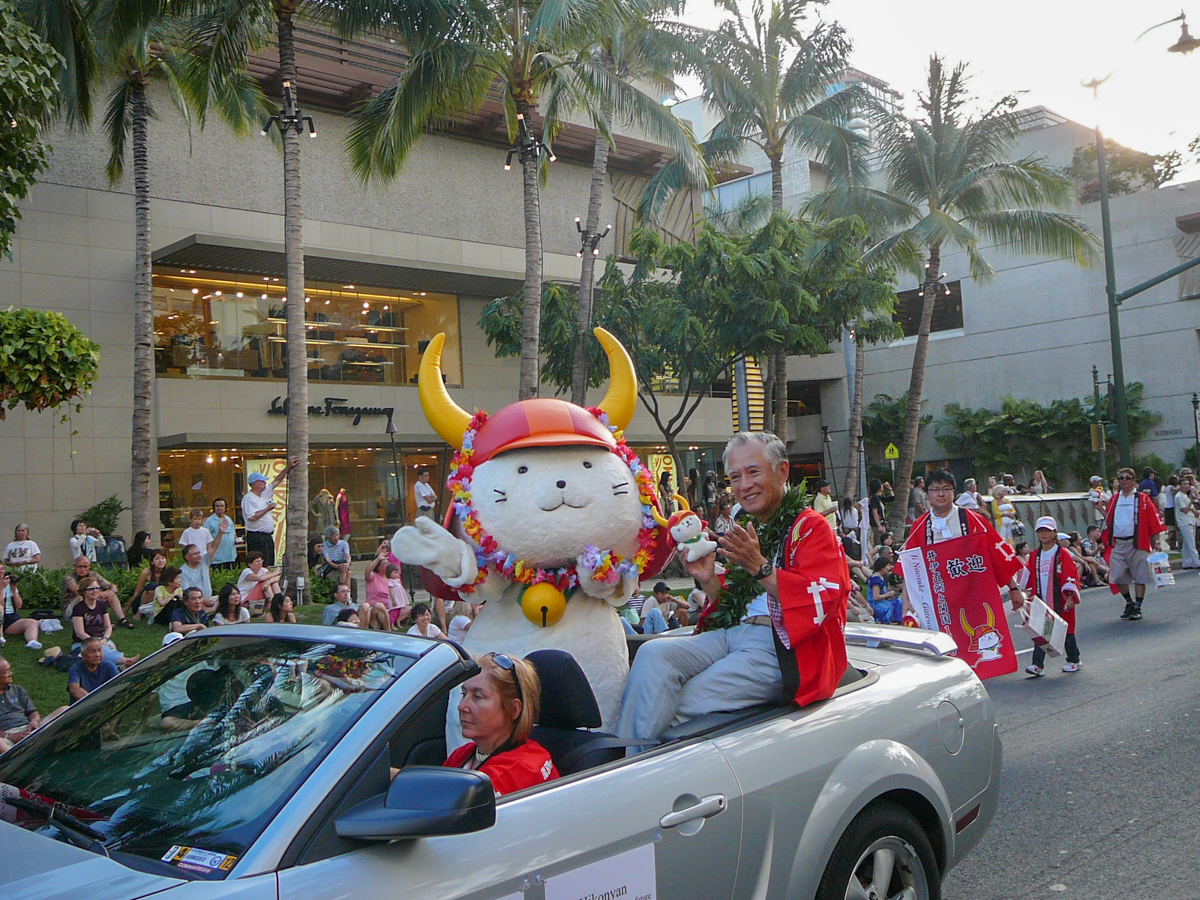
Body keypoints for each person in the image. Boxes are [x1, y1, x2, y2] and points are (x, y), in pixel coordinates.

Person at [617, 432, 849, 749]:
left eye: (753, 472)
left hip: (780, 649)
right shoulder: (748, 526)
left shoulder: (810, 527)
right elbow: (730, 606)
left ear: (782, 472)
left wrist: (760, 567)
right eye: (735, 477)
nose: (744, 485)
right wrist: (708, 579)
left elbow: (823, 599)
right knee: (651, 655)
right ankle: (618, 758)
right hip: (734, 634)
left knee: (672, 701)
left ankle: (626, 775)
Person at [903, 469, 1026, 613]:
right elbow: (909, 567)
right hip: (938, 601)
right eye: (935, 490)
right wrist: (906, 602)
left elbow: (996, 553)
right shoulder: (919, 526)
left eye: (946, 489)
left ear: (954, 492)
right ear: (927, 493)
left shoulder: (972, 519)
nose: (941, 494)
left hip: (974, 596)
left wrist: (1014, 588)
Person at [443, 652, 558, 796]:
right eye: (464, 694)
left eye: (478, 696)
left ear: (513, 709)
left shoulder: (516, 772)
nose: (462, 706)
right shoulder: (464, 754)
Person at [1101, 467, 1167, 621]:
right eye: (1121, 478)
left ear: (1133, 480)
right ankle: (1129, 602)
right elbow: (1110, 519)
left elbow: (1153, 521)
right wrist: (1100, 509)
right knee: (1117, 576)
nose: (1124, 480)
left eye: (1127, 477)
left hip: (1137, 541)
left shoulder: (1142, 499)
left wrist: (1155, 541)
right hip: (1119, 543)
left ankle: (1137, 606)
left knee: (1140, 576)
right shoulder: (1115, 499)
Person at [1020, 517, 1082, 676]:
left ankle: (1074, 660)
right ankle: (1037, 665)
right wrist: (1020, 591)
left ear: (1055, 533)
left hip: (1060, 598)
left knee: (1066, 631)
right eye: (1041, 531)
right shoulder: (1035, 555)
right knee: (1040, 631)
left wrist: (1070, 596)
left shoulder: (1063, 554)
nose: (1044, 534)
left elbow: (1070, 575)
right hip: (1041, 598)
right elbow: (1027, 575)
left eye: (1047, 531)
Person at [71, 576, 139, 667]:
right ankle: (126, 661)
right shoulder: (79, 608)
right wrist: (96, 643)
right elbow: (80, 633)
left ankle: (120, 668)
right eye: (91, 589)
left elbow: (108, 627)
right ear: (84, 591)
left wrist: (105, 639)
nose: (95, 591)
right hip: (83, 642)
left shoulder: (101, 605)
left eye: (97, 588)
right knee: (101, 651)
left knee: (108, 650)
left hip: (101, 639)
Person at [241, 457, 299, 563]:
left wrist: (288, 467)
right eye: (262, 481)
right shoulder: (249, 498)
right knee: (261, 563)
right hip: (256, 536)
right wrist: (267, 509)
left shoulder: (264, 493)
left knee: (270, 561)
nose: (264, 483)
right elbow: (252, 517)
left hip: (267, 535)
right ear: (255, 484)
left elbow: (276, 481)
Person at [61, 556, 133, 628]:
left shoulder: (93, 575)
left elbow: (112, 585)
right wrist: (100, 594)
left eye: (85, 567)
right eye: (80, 567)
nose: (82, 569)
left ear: (89, 567)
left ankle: (122, 619)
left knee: (112, 595)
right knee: (82, 597)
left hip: (90, 605)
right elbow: (78, 591)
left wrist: (111, 591)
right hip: (71, 609)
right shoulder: (69, 578)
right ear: (74, 567)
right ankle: (103, 621)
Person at [0, 656, 42, 751]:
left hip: (29, 728)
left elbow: (32, 711)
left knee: (64, 710)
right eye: (6, 672)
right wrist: (11, 736)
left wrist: (34, 721)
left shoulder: (17, 689)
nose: (11, 674)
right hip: (6, 736)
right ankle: (21, 759)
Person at [362, 554, 410, 630]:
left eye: (388, 563)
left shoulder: (392, 579)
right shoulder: (373, 577)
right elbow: (368, 571)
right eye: (385, 563)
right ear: (378, 567)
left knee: (408, 609)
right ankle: (387, 624)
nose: (388, 565)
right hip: (375, 608)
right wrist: (378, 559)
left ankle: (387, 622)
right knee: (379, 607)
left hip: (391, 608)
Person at [67, 638, 120, 704]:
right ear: (83, 655)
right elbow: (74, 688)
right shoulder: (76, 669)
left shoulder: (108, 665)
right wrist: (93, 702)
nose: (97, 655)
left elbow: (120, 682)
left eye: (99, 650)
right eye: (92, 652)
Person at [1, 564, 41, 650]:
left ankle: (32, 641)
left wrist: (14, 589)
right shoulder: (3, 585)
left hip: (10, 617)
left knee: (32, 622)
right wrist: (1, 588)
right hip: (0, 615)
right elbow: (0, 605)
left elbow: (19, 605)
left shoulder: (7, 583)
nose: (1, 571)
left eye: (2, 569)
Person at [131, 549, 169, 621]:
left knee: (161, 586)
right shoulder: (146, 572)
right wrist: (125, 610)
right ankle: (139, 613)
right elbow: (137, 591)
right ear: (152, 562)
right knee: (153, 585)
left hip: (157, 602)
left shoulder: (168, 573)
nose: (160, 561)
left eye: (163, 558)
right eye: (157, 558)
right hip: (140, 603)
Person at [178, 543, 215, 611]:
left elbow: (214, 547)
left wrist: (220, 534)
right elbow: (186, 593)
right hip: (196, 602)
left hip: (210, 599)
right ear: (187, 557)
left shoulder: (204, 562)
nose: (199, 556)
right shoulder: (183, 571)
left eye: (199, 553)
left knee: (224, 598)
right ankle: (206, 612)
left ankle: (209, 611)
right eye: (195, 554)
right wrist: (202, 600)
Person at [203, 498, 238, 571]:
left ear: (225, 507)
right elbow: (205, 539)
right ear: (214, 508)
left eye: (222, 506)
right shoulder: (209, 521)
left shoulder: (229, 519)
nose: (220, 508)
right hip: (217, 559)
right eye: (217, 506)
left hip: (231, 557)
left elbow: (233, 534)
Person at [1175, 475, 1200, 569]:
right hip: (1184, 522)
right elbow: (1184, 509)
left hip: (1191, 520)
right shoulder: (1179, 497)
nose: (1186, 486)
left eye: (1188, 484)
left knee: (1186, 544)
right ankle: (1197, 562)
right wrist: (1191, 502)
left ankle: (1186, 563)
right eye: (1184, 484)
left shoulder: (1186, 496)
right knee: (1191, 543)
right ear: (1180, 485)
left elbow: (1192, 510)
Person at [867, 558, 901, 624]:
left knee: (897, 601)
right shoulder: (876, 580)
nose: (889, 568)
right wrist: (888, 594)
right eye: (888, 566)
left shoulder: (881, 577)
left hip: (882, 602)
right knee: (894, 604)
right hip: (876, 604)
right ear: (882, 568)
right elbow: (875, 597)